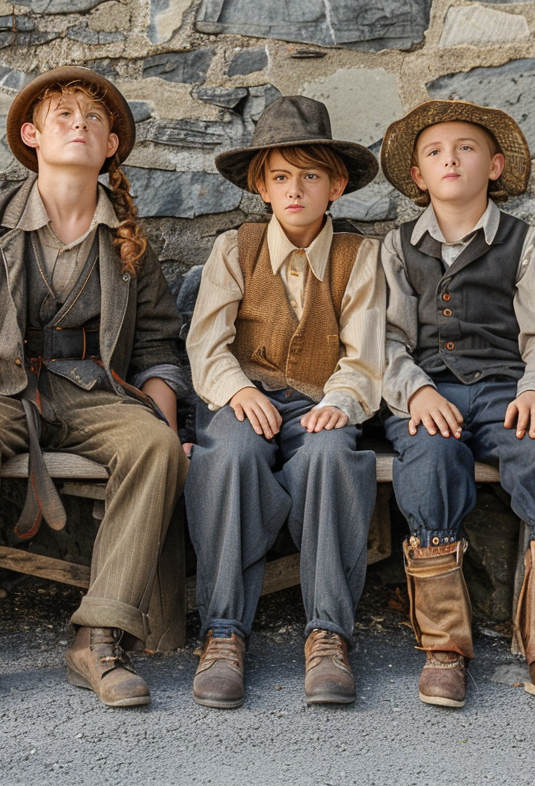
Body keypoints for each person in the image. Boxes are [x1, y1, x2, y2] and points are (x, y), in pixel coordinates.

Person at [0, 65, 190, 709]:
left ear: (111, 146)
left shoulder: (128, 239)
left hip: (97, 391)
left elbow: (156, 348)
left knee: (155, 447)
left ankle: (101, 634)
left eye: (95, 120)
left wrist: (168, 428)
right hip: (4, 388)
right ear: (32, 135)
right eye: (64, 116)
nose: (80, 127)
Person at [379, 99, 535, 709]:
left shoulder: (526, 244)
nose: (451, 158)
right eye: (435, 152)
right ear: (419, 177)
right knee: (429, 458)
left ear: (495, 165)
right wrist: (415, 390)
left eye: (467, 148)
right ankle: (445, 647)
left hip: (507, 388)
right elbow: (384, 340)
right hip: (429, 392)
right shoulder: (396, 247)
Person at [185, 95, 384, 708]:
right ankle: (223, 631)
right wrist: (239, 390)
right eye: (280, 177)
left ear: (337, 186)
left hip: (321, 400)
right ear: (262, 187)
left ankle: (327, 633)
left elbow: (366, 350)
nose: (295, 189)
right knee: (228, 459)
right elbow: (206, 343)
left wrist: (344, 400)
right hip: (244, 398)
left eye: (310, 175)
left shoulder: (361, 257)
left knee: (331, 458)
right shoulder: (234, 249)